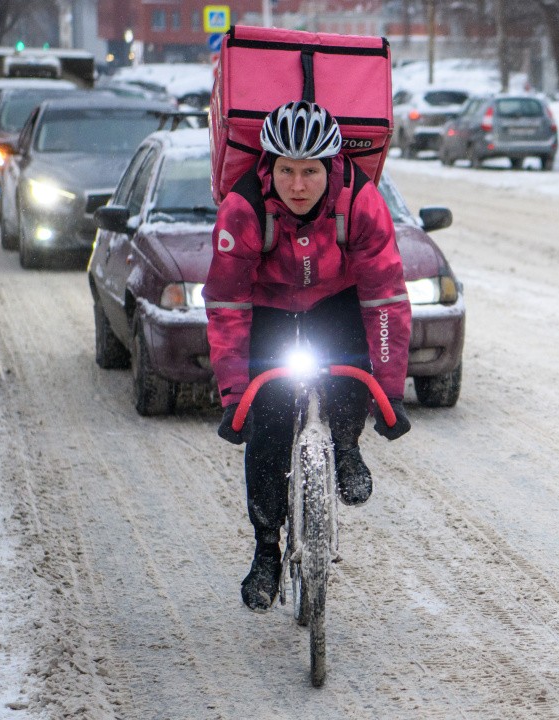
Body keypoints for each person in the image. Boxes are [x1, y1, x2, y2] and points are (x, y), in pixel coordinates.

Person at [204, 100, 413, 612]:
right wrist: (236, 396)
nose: (298, 185)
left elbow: (385, 298)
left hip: (333, 299)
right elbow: (228, 305)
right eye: (287, 171)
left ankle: (345, 446)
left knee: (348, 373)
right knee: (269, 421)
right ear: (268, 168)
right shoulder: (244, 208)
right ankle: (266, 551)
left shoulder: (360, 203)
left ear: (333, 167)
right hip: (269, 307)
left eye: (311, 172)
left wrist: (385, 392)